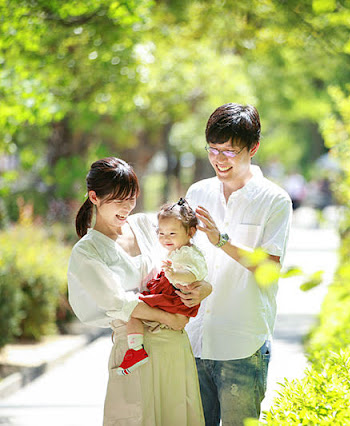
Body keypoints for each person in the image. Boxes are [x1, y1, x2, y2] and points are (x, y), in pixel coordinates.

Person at [67, 157, 209, 426]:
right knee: (136, 418)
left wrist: (204, 287)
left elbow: (186, 254)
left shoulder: (145, 225)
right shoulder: (87, 251)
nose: (127, 207)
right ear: (94, 197)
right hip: (136, 349)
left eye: (131, 198)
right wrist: (170, 318)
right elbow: (117, 302)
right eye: (118, 200)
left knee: (177, 415)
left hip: (173, 346)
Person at [185, 103, 293, 425]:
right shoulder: (198, 192)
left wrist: (222, 240)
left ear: (253, 148)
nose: (219, 160)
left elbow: (270, 269)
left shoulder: (274, 200)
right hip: (193, 340)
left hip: (242, 347)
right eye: (213, 150)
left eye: (230, 151)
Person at [117, 198, 208, 376]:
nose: (165, 238)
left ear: (191, 232)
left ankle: (136, 350)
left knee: (130, 307)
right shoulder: (177, 250)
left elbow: (193, 274)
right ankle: (136, 349)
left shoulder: (190, 254)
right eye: (161, 233)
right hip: (170, 293)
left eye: (172, 234)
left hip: (175, 298)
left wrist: (174, 274)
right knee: (132, 309)